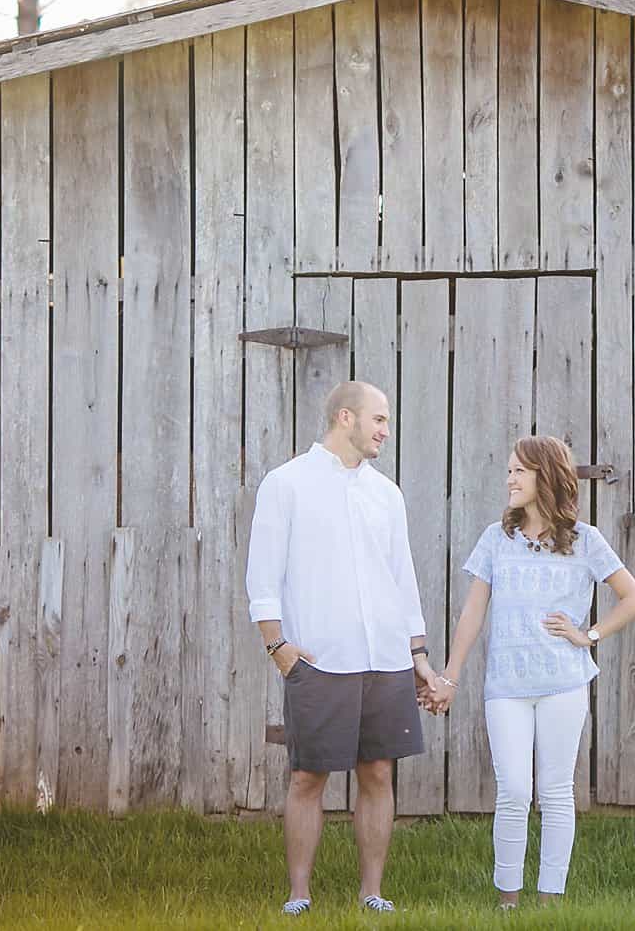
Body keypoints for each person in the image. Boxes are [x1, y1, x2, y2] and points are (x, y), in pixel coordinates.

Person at [424, 435, 635, 909]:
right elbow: (472, 614)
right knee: (512, 791)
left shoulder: (586, 541)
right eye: (508, 470)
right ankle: (508, 902)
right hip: (505, 687)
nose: (509, 479)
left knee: (555, 792)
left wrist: (587, 635)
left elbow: (633, 599)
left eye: (519, 471)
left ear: (545, 475)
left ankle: (549, 902)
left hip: (563, 684)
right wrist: (449, 676)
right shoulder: (495, 538)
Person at [245, 380, 439, 917]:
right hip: (320, 660)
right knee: (308, 776)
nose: (385, 431)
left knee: (378, 773)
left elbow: (404, 579)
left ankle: (372, 893)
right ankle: (298, 895)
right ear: (346, 418)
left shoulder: (386, 494)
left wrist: (417, 654)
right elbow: (262, 575)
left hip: (387, 660)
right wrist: (277, 646)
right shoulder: (286, 484)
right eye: (379, 419)